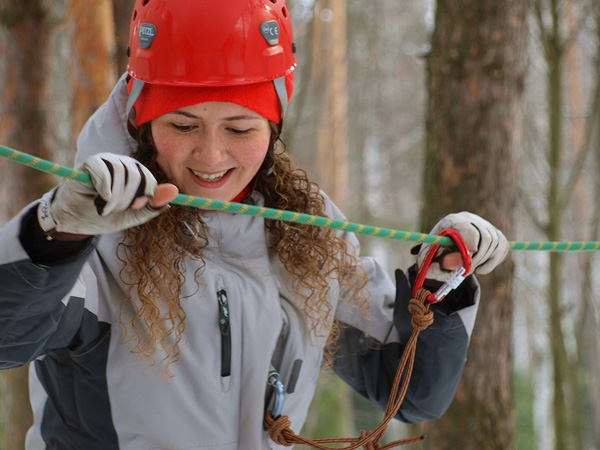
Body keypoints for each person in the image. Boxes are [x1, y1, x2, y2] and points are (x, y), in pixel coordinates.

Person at [0, 1, 510, 449]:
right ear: (140, 116)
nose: (212, 155)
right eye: (182, 124)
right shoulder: (93, 228)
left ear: (274, 124)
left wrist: (440, 284)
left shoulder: (307, 236)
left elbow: (413, 390)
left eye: (240, 128)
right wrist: (56, 234)